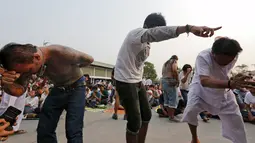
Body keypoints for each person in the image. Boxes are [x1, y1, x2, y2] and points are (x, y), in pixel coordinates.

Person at [114, 12, 221, 143]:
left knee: (146, 115)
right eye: (158, 29)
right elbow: (157, 33)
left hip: (136, 80)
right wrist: (188, 28)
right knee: (135, 121)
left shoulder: (147, 43)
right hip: (124, 80)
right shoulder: (136, 33)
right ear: (151, 27)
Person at [0, 43, 94, 143]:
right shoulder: (26, 64)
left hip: (77, 87)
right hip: (58, 88)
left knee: (73, 130)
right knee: (44, 130)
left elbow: (90, 59)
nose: (28, 74)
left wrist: (73, 68)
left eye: (30, 70)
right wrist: (7, 84)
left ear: (36, 57)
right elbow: (19, 91)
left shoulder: (61, 53)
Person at [182, 37, 254, 143]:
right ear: (213, 53)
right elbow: (205, 81)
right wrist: (229, 84)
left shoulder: (233, 55)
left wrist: (234, 80)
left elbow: (224, 71)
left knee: (236, 120)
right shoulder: (203, 57)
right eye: (222, 61)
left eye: (229, 60)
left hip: (223, 88)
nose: (225, 64)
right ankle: (194, 138)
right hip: (200, 88)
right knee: (191, 110)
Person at [161, 55, 180, 121]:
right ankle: (172, 116)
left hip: (163, 81)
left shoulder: (165, 63)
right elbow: (174, 70)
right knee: (173, 99)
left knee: (167, 100)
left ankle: (170, 115)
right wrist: (177, 80)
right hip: (170, 81)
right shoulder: (173, 61)